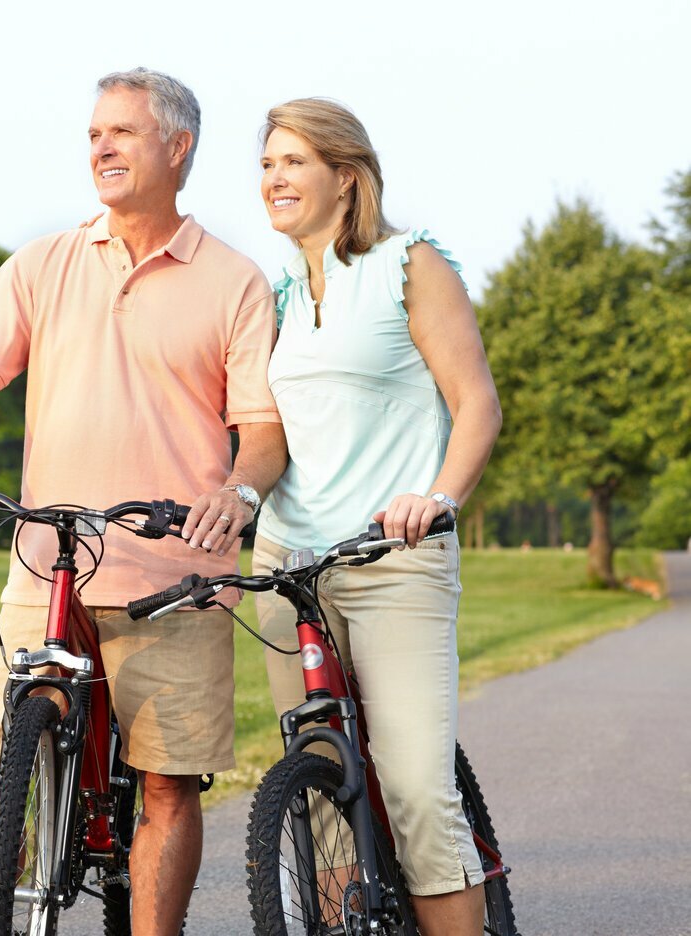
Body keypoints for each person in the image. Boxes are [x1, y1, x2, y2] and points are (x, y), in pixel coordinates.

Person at [0, 68, 286, 936]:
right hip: (46, 567)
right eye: (94, 134)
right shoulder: (43, 263)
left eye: (122, 133)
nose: (100, 147)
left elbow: (262, 427)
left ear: (176, 149)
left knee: (169, 784)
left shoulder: (236, 281)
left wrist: (239, 492)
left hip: (174, 576)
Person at [251, 97, 503, 936]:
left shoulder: (410, 263)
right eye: (266, 164)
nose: (273, 178)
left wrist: (438, 497)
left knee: (417, 791)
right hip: (292, 567)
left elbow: (475, 405)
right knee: (317, 788)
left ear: (345, 177)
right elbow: (276, 438)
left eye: (292, 162)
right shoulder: (280, 292)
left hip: (394, 558)